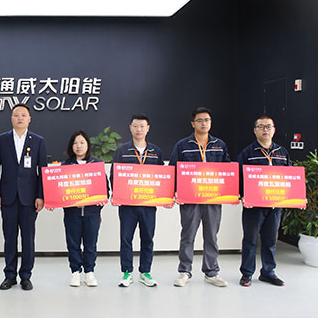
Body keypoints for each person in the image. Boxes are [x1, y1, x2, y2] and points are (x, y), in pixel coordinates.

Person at [169, 107, 231, 287]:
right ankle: (184, 271)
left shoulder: (220, 144)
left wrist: (230, 192)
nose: (204, 123)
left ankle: (211, 272)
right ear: (193, 123)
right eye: (200, 120)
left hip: (213, 199)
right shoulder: (182, 145)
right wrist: (174, 193)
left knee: (211, 236)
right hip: (190, 199)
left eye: (207, 120)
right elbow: (173, 169)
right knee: (188, 235)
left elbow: (227, 170)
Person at [0, 103, 47, 291]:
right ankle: (9, 275)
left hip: (30, 198)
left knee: (28, 238)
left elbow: (42, 171)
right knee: (9, 237)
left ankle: (26, 276)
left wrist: (41, 195)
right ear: (11, 118)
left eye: (24, 115)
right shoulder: (1, 140)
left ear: (29, 119)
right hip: (7, 196)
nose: (20, 118)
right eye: (16, 115)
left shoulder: (38, 141)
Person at [237, 115, 291, 287]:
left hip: (275, 206)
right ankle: (247, 273)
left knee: (270, 241)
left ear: (274, 130)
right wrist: (242, 195)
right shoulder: (247, 153)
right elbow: (239, 178)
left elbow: (290, 178)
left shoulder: (282, 153)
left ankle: (268, 272)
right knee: (250, 240)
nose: (265, 129)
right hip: (253, 206)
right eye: (261, 126)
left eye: (268, 126)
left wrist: (295, 197)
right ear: (255, 130)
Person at [111, 114, 164, 288]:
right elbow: (114, 175)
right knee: (126, 238)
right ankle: (127, 272)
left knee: (147, 238)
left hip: (148, 204)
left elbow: (162, 177)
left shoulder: (156, 151)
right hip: (127, 205)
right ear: (130, 128)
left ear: (148, 128)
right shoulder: (122, 151)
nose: (138, 129)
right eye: (135, 126)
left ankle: (145, 272)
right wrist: (117, 195)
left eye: (142, 126)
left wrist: (165, 196)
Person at [61, 130, 107, 287]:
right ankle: (75, 272)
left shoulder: (96, 164)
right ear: (71, 146)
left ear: (88, 145)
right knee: (73, 243)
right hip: (72, 213)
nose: (78, 146)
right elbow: (59, 189)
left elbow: (105, 188)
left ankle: (89, 272)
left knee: (90, 243)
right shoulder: (66, 165)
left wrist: (101, 200)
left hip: (92, 213)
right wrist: (54, 201)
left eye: (82, 142)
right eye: (75, 143)